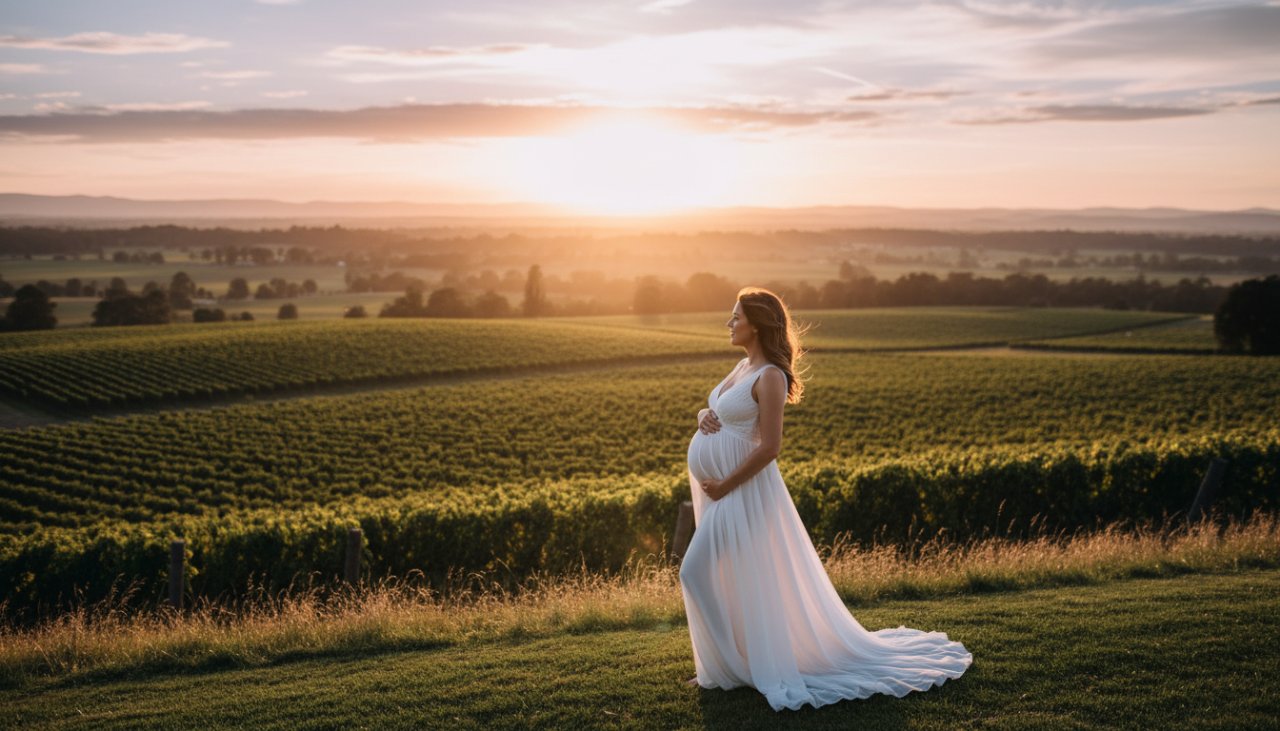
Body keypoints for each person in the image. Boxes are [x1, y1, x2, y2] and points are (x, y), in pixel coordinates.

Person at [679, 286, 972, 712]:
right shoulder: (742, 367)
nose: (729, 323)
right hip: (723, 495)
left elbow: (771, 447)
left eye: (735, 317)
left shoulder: (771, 377)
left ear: (757, 325)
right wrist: (703, 415)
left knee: (694, 573)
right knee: (729, 580)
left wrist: (724, 485)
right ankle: (727, 668)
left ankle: (732, 669)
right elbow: (715, 412)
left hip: (741, 495)